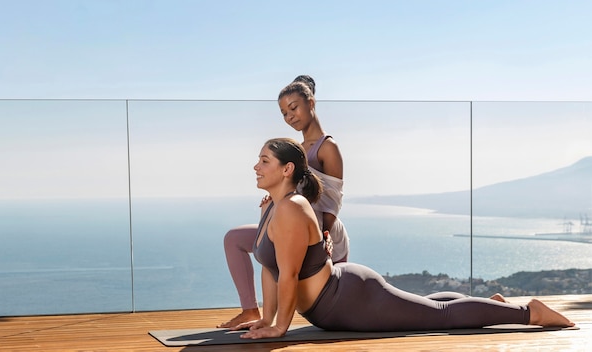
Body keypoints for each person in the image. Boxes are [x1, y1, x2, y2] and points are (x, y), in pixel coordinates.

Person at [235, 137, 574, 339]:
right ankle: (490, 308)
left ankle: (529, 312)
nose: (255, 166)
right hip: (340, 300)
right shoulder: (272, 207)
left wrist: (280, 328)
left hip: (347, 301)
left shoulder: (292, 208)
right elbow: (271, 267)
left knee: (440, 317)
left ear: (286, 169)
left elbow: (291, 275)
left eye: (264, 160)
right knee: (427, 307)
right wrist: (267, 318)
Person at [217, 76, 350, 328]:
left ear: (311, 103)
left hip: (320, 231)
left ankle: (276, 322)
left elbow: (333, 201)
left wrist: (325, 233)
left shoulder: (327, 147)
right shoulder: (296, 148)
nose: (289, 116)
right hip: (290, 226)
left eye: (293, 108)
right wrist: (276, 198)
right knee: (233, 239)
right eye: (283, 113)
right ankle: (250, 311)